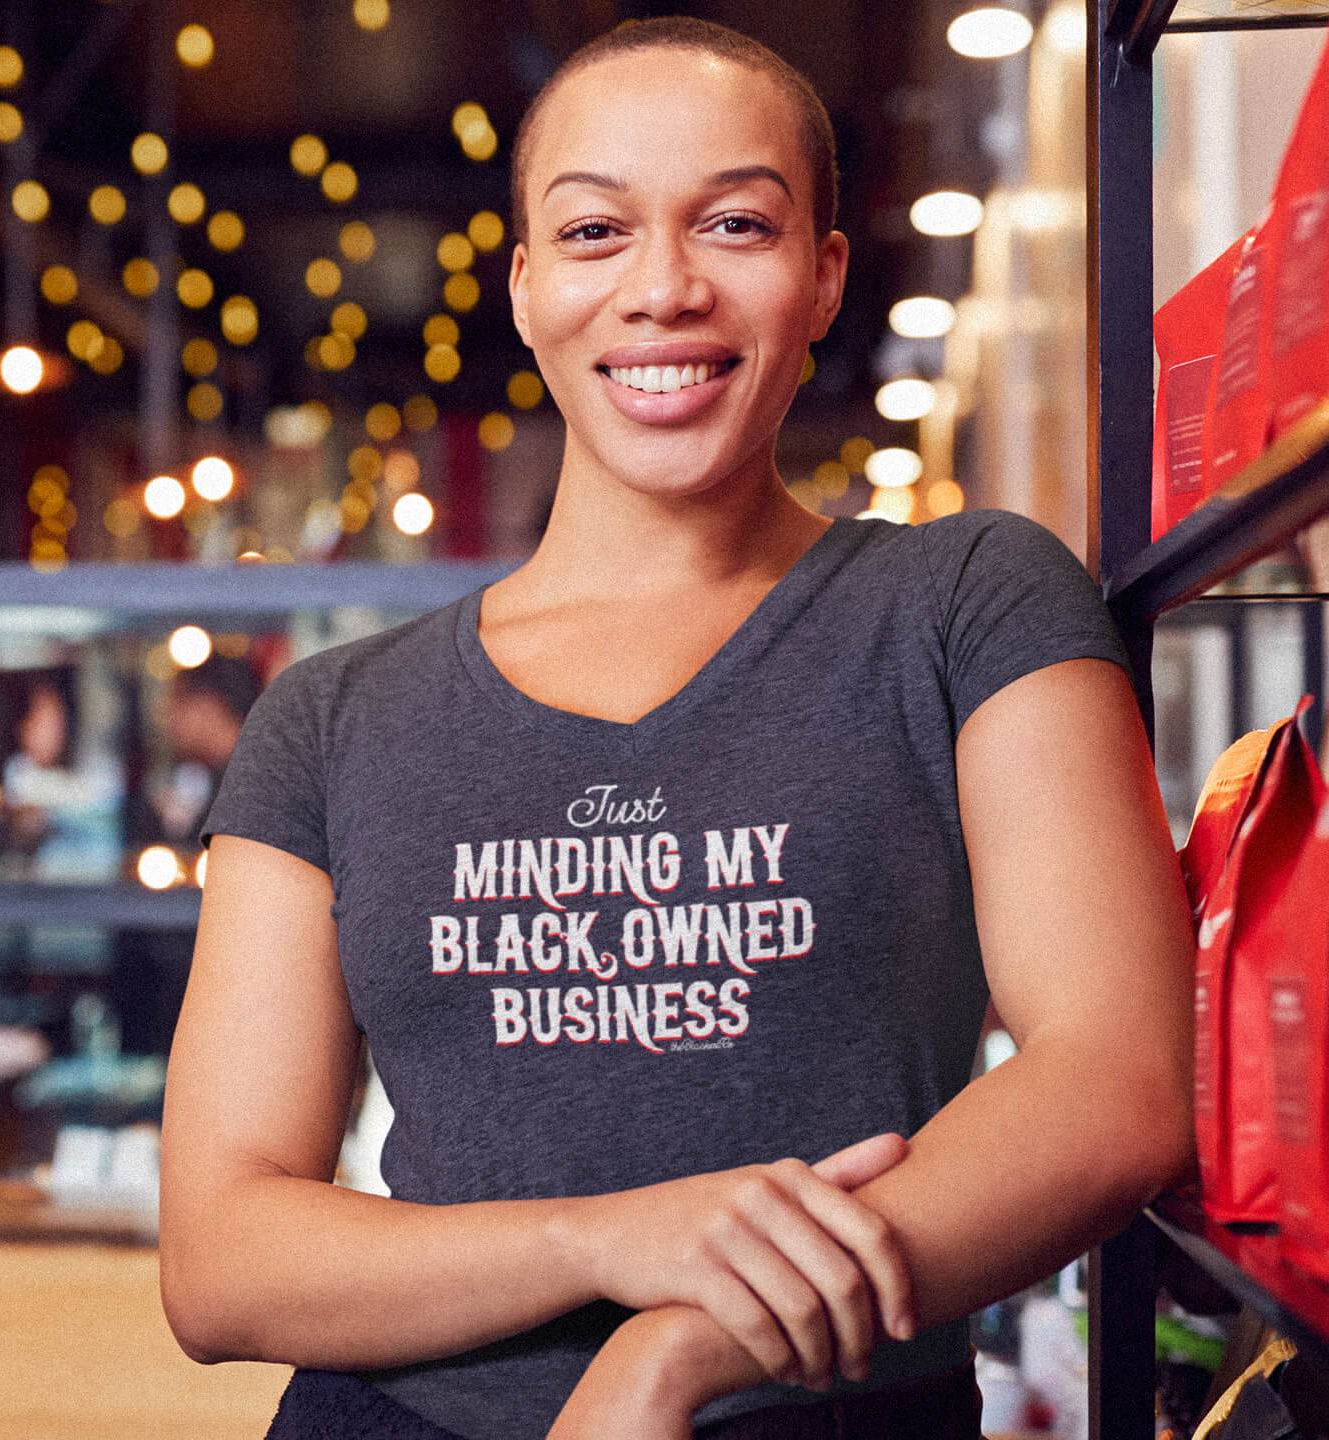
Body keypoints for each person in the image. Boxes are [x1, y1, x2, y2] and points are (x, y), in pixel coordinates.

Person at [159, 16, 1197, 1440]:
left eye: (735, 221)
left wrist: (682, 1348)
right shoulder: (333, 718)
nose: (662, 288)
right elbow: (221, 1258)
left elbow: (1117, 1084)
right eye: (594, 233)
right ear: (525, 289)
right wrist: (599, 1241)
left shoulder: (963, 604)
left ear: (824, 274)